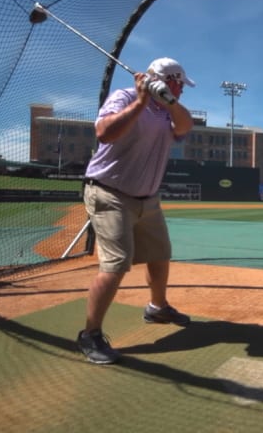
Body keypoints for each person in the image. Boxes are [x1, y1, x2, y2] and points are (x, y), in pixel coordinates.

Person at [77, 57, 195, 364]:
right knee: (116, 263)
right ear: (170, 80)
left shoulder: (169, 112)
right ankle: (90, 334)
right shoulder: (124, 97)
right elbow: (104, 132)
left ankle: (157, 307)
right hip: (109, 193)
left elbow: (185, 125)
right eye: (180, 84)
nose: (182, 90)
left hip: (148, 199)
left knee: (160, 254)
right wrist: (142, 101)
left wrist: (165, 101)